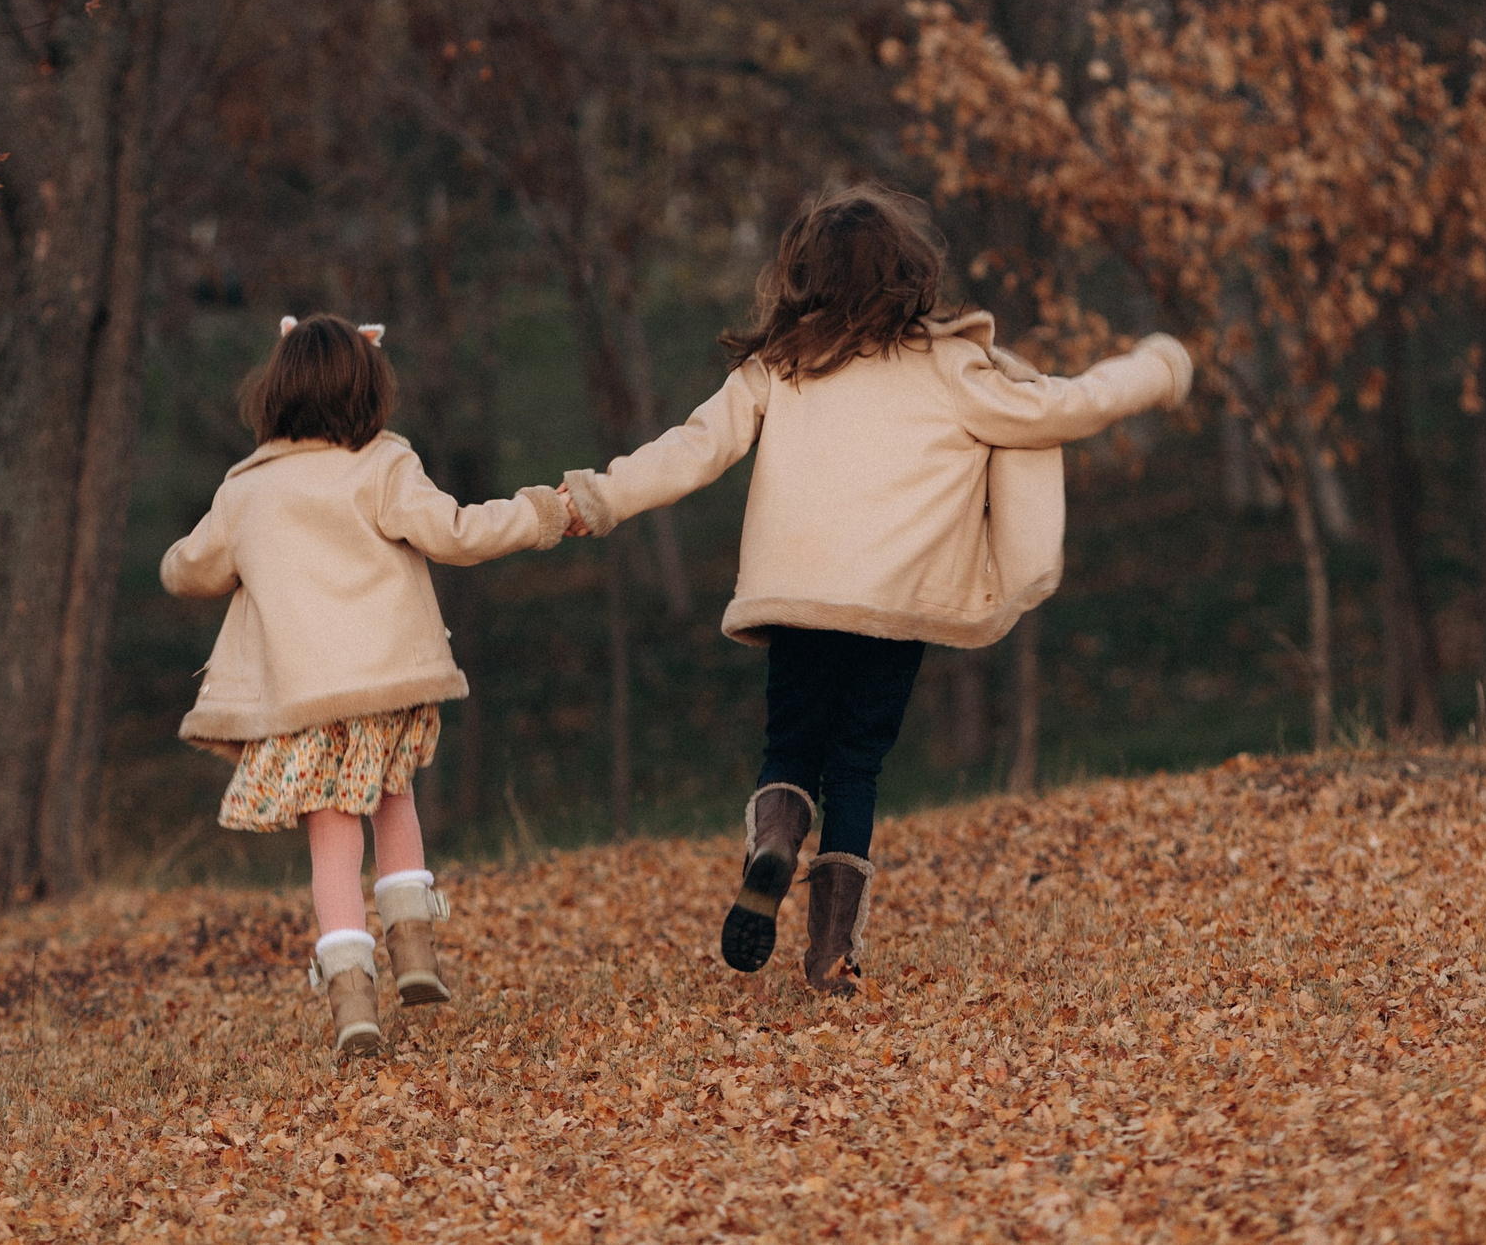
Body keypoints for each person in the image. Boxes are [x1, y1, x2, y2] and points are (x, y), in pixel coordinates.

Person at [558, 186, 1191, 995]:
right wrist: (1154, 370)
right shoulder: (950, 366)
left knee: (789, 750)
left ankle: (775, 844)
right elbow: (1065, 405)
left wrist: (598, 498)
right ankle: (831, 958)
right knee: (855, 768)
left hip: (798, 599)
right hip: (893, 609)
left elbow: (691, 450)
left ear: (800, 277)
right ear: (909, 273)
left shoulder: (779, 367)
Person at [162, 313, 572, 1058]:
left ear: (275, 393)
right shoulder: (385, 465)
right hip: (387, 679)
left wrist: (188, 559)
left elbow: (192, 569)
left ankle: (352, 996)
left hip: (306, 697)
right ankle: (414, 948)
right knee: (394, 796)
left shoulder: (248, 490)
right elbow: (456, 533)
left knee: (330, 839)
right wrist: (540, 515)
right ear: (369, 388)